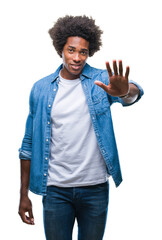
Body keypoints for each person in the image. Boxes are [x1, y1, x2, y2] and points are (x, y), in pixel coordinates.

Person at [18, 15, 144, 240]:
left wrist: (125, 92)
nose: (77, 58)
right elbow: (27, 145)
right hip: (56, 190)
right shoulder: (41, 89)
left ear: (90, 52)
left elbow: (133, 93)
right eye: (71, 50)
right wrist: (23, 195)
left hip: (94, 189)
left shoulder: (100, 81)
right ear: (61, 50)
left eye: (83, 52)